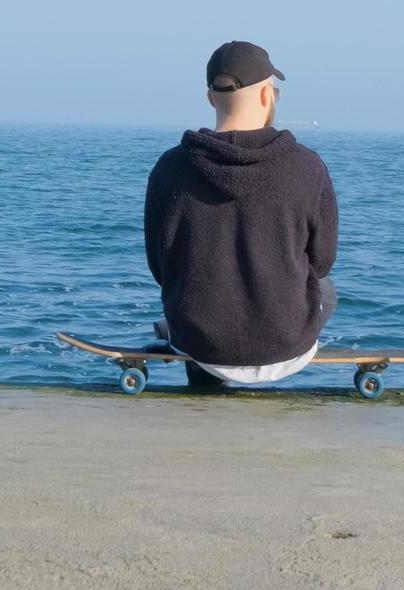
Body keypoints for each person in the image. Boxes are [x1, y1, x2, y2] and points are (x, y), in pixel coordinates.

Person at [143, 40, 339, 387]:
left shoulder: (170, 169)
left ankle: (201, 366)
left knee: (188, 286)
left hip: (199, 344)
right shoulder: (308, 167)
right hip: (286, 346)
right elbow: (322, 262)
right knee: (326, 287)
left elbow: (161, 268)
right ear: (267, 95)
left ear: (210, 98)